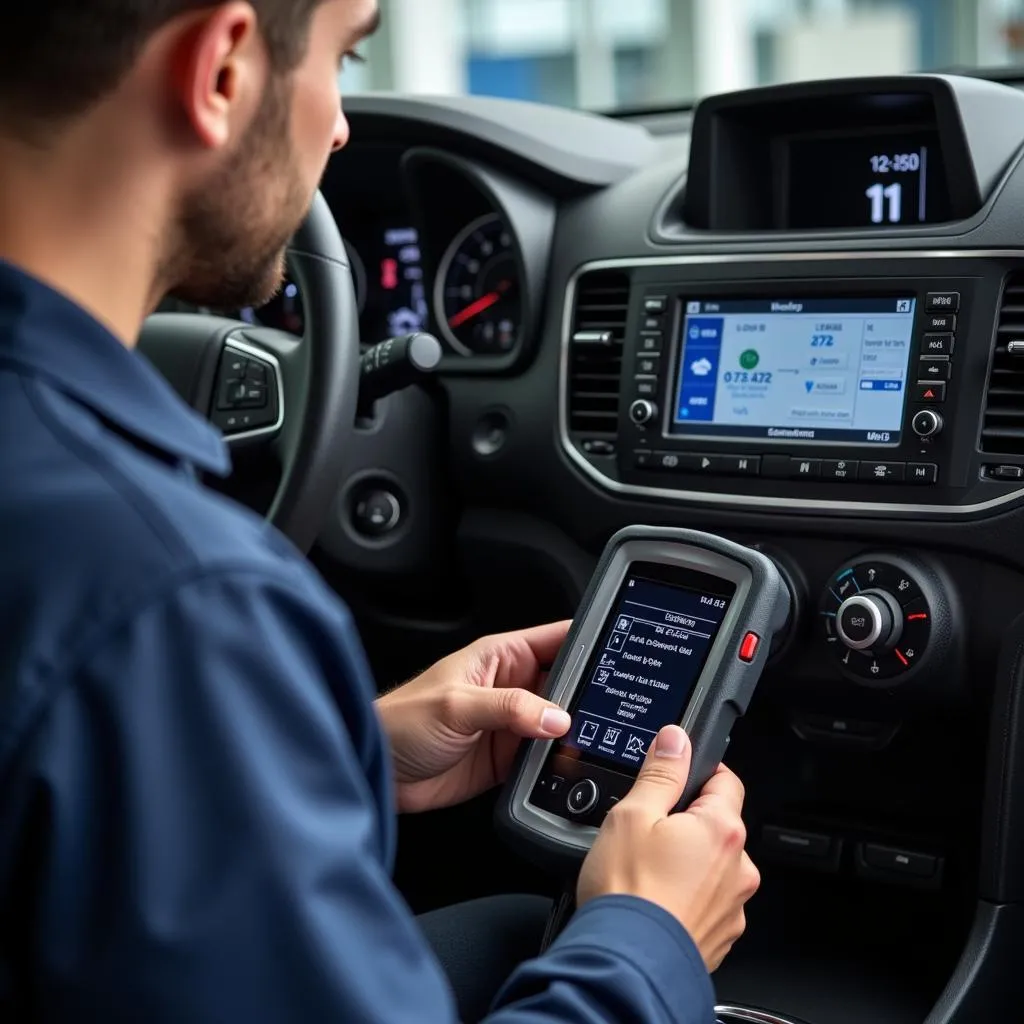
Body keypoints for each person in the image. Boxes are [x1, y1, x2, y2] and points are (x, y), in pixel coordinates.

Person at [0, 1, 761, 1021]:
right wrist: (649, 939)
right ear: (222, 70)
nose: (342, 124)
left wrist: (323, 749)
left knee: (502, 926)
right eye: (342, 58)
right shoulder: (171, 605)